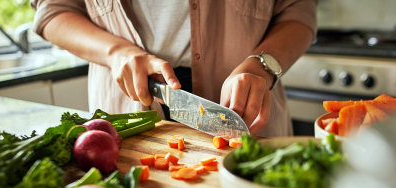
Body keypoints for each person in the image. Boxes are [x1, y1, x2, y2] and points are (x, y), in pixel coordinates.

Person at [31, 0, 316, 137]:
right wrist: (116, 52)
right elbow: (53, 11)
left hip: (247, 113)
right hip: (129, 108)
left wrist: (262, 65)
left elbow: (299, 14)